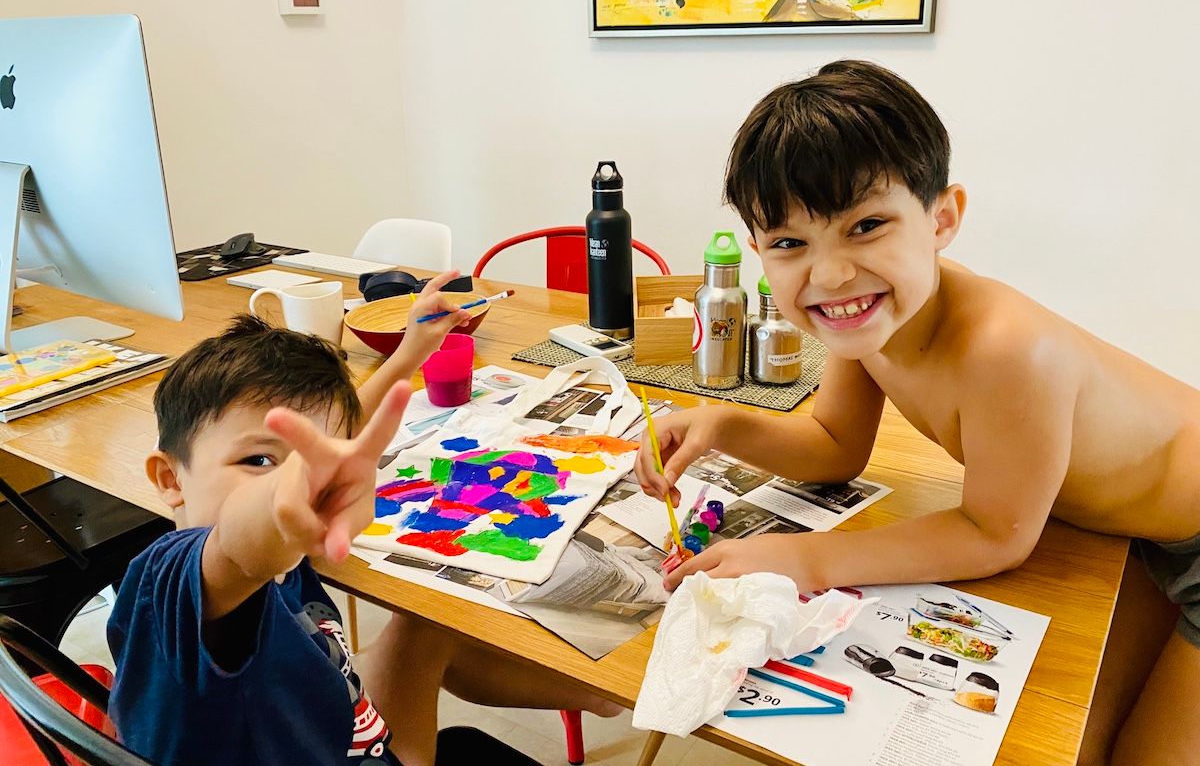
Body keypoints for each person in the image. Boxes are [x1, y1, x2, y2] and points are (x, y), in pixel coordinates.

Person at [633, 61, 1200, 766]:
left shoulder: (1007, 350)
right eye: (789, 243)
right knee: (1074, 742)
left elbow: (994, 535)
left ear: (942, 218)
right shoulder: (867, 319)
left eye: (866, 226)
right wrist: (722, 424)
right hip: (1126, 537)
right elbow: (834, 444)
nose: (830, 273)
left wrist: (801, 557)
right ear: (757, 250)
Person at [108, 272, 618, 766]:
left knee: (425, 627)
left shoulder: (277, 541)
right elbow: (240, 546)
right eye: (258, 460)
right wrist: (294, 487)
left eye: (312, 463)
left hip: (345, 730)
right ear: (170, 479)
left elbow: (334, 440)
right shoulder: (179, 589)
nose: (304, 482)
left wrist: (410, 353)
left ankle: (602, 697)